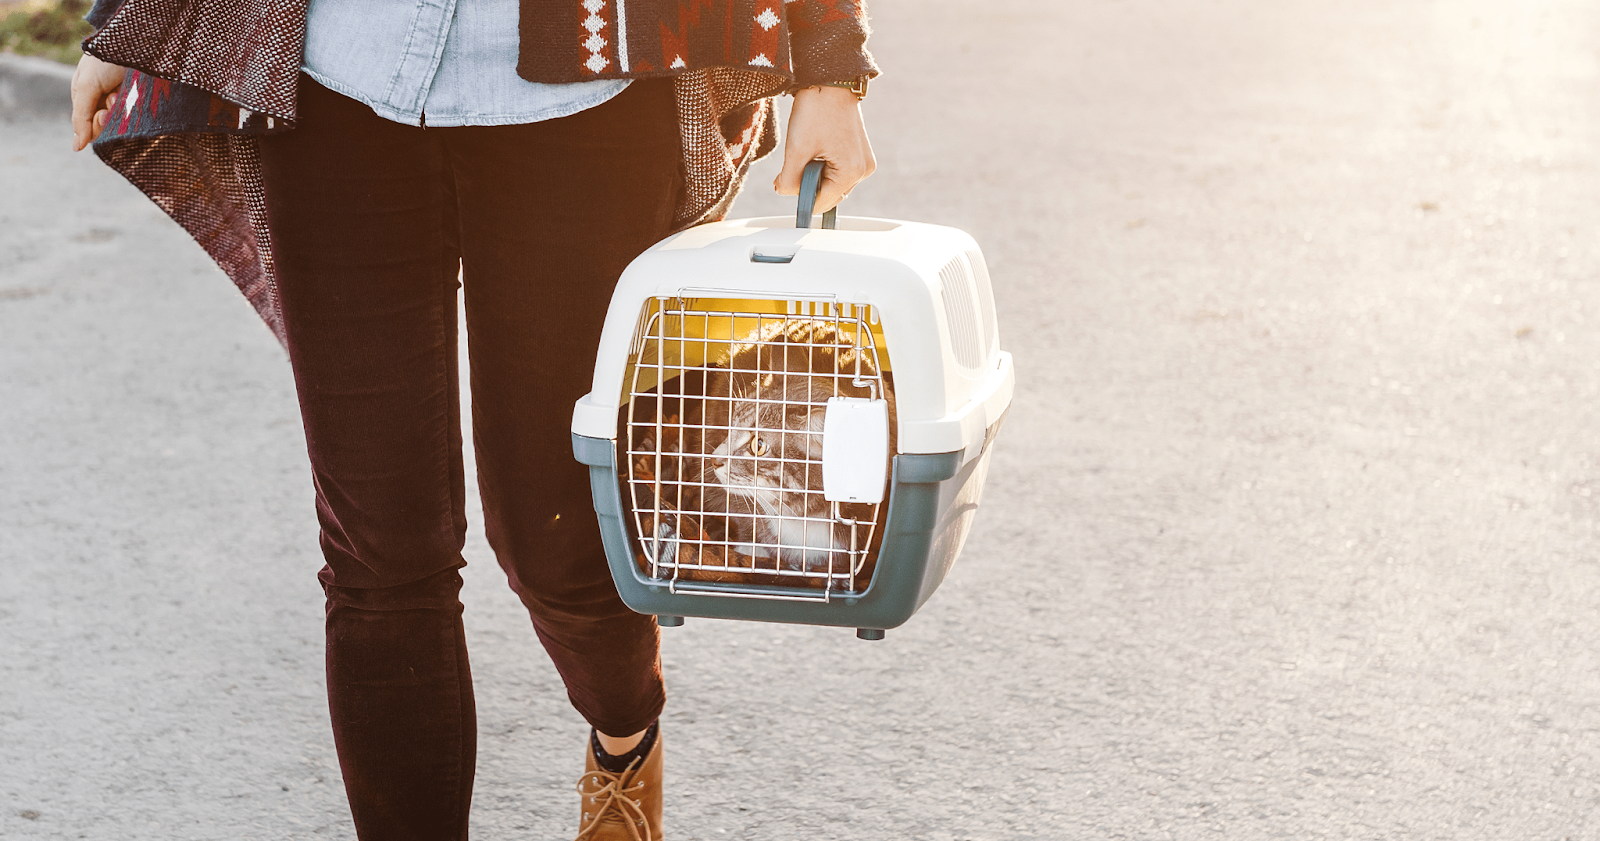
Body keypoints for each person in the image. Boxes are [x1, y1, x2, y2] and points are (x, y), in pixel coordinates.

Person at [68, 1, 877, 838]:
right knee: (377, 551)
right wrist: (128, 21)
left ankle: (625, 736)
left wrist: (828, 62)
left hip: (587, 90)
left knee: (556, 541)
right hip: (338, 80)